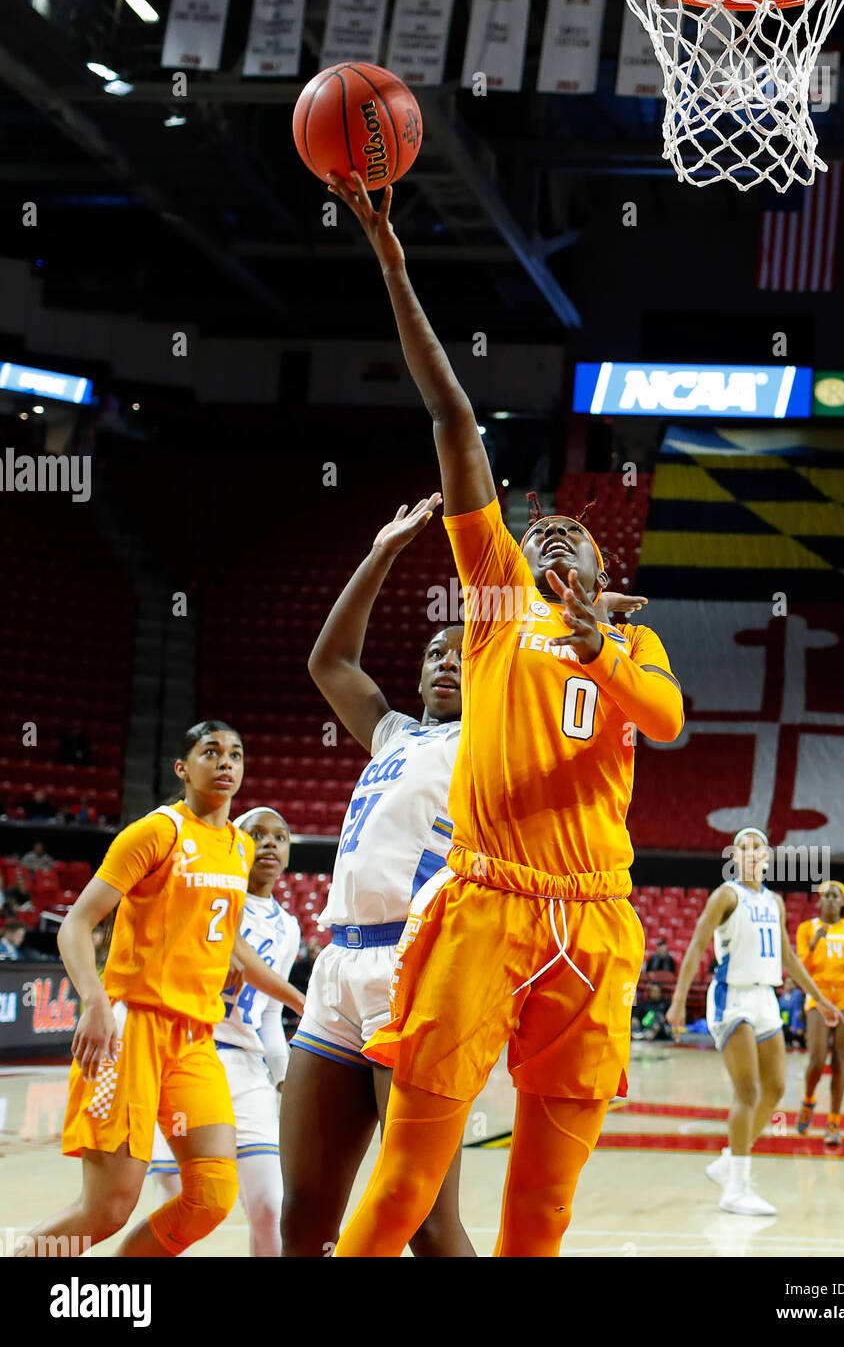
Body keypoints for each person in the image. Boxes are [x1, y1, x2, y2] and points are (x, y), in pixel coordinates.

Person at [327, 170, 683, 1260]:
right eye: (544, 532)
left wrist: (599, 651)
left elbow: (664, 723)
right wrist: (391, 261)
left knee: (542, 1212)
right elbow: (452, 415)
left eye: (581, 536)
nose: (560, 535)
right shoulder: (492, 607)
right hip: (487, 908)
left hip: (594, 918)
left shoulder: (632, 644)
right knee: (401, 1189)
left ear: (607, 568)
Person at [15, 721, 305, 1259]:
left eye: (236, 754)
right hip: (131, 1030)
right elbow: (75, 925)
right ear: (182, 767)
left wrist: (298, 1002)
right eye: (210, 752)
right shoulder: (157, 831)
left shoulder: (239, 849)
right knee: (106, 1208)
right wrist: (96, 1002)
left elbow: (235, 946)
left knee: (213, 1195)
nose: (225, 763)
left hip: (194, 1038)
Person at [281, 496, 475, 1258]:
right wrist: (381, 553)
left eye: (464, 652)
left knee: (424, 1220)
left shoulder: (494, 739)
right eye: (434, 651)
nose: (445, 660)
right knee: (304, 1216)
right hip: (337, 966)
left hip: (418, 967)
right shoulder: (393, 733)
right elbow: (328, 663)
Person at [148, 806, 302, 1257]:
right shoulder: (206, 896)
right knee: (178, 1198)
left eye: (281, 837)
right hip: (191, 1053)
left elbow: (271, 1018)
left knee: (271, 1208)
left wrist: (284, 1079)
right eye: (258, 834)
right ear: (238, 843)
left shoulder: (288, 928)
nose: (271, 843)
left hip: (247, 1068)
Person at [667, 828, 844, 1215]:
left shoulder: (775, 902)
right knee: (746, 1091)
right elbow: (697, 944)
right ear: (736, 856)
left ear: (766, 857)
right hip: (733, 997)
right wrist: (679, 1001)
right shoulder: (726, 895)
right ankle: (736, 1189)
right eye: (742, 847)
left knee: (777, 1088)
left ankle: (731, 1160)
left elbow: (789, 958)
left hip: (766, 996)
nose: (750, 853)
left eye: (756, 847)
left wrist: (821, 1000)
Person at [795, 881, 844, 1147]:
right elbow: (801, 968)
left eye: (834, 896)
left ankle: (833, 1122)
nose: (829, 899)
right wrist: (815, 943)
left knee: (840, 1058)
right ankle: (808, 1100)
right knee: (816, 1058)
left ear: (843, 901)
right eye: (824, 895)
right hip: (818, 993)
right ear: (818, 901)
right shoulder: (807, 929)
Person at [779, 976, 805, 1049]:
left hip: (795, 1026)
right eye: (786, 983)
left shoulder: (797, 994)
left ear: (794, 985)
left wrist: (796, 1027)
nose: (787, 986)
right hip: (785, 1024)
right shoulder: (783, 996)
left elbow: (797, 1012)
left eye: (790, 983)